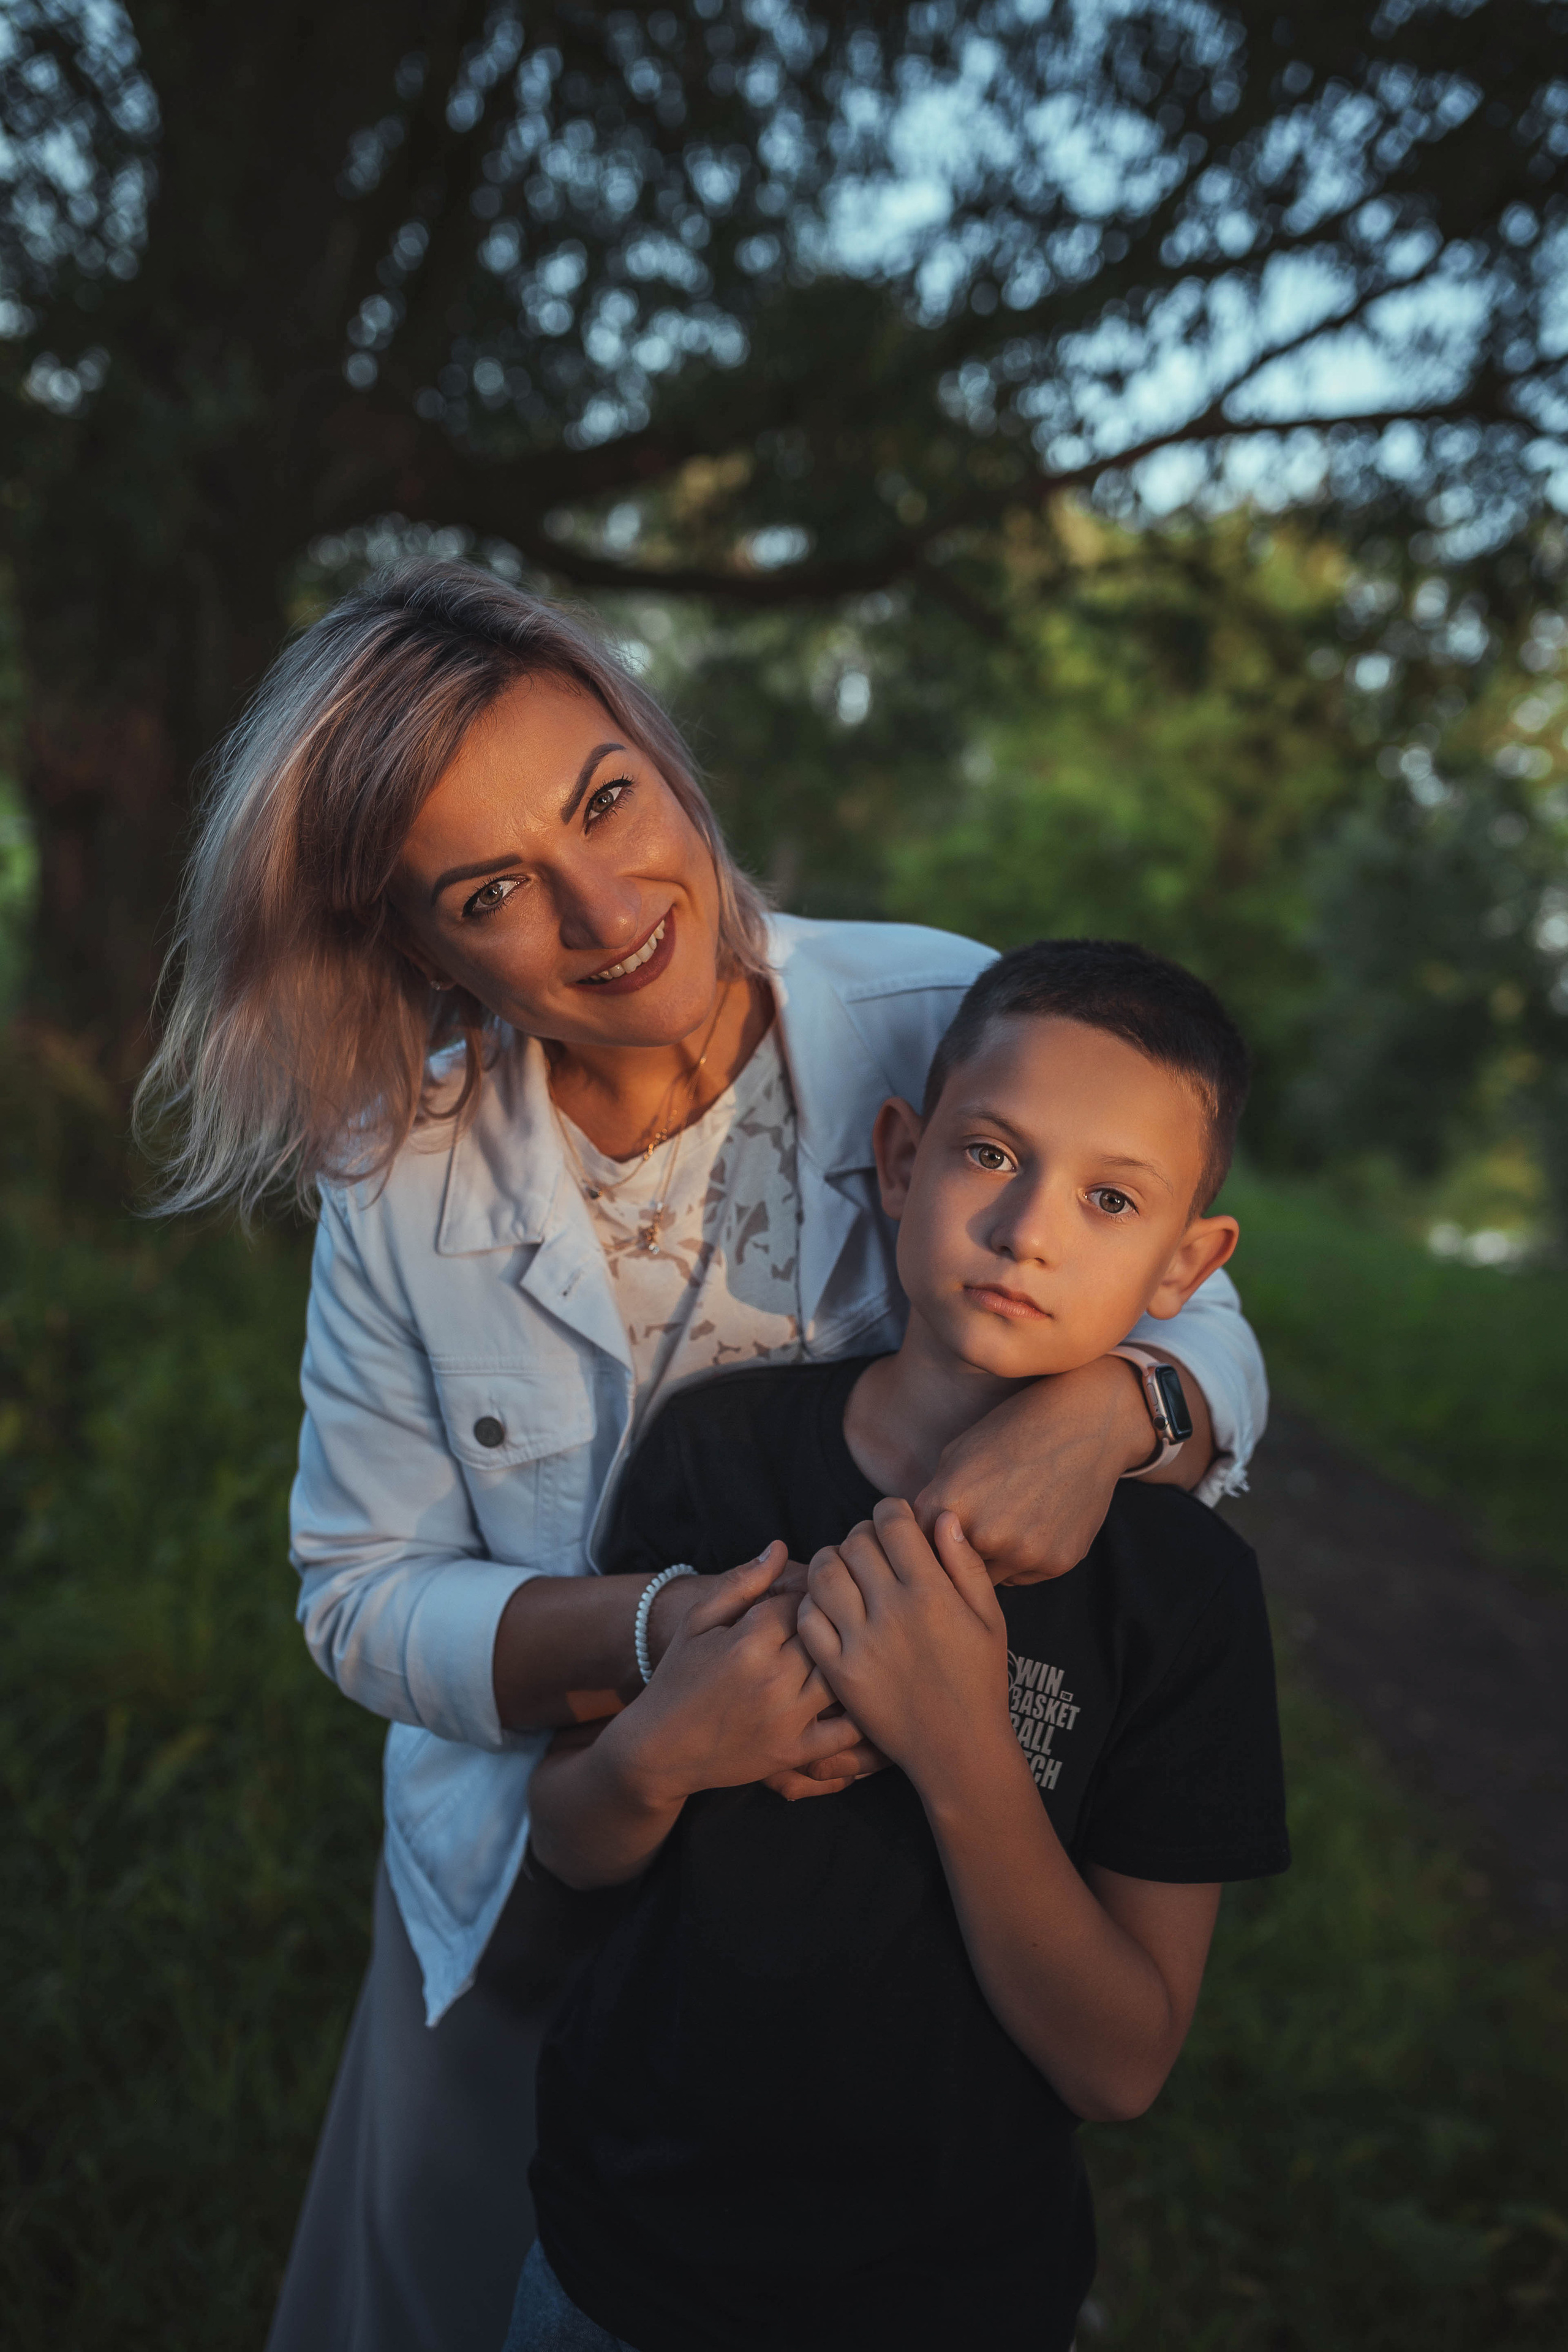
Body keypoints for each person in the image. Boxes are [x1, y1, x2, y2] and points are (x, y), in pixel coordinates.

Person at [136, 562, 1267, 2352]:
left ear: (657, 750)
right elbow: (360, 1599)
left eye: (607, 798)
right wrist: (665, 1648)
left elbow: (1192, 1305)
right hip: (556, 1838)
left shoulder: (928, 1006)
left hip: (888, 1898)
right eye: (494, 890)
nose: (605, 909)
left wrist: (1111, 1414)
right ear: (419, 945)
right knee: (470, 2279)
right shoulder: (401, 1175)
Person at [511, 939, 1290, 2352]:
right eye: (990, 1156)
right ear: (900, 1158)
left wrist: (960, 1755)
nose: (1029, 1230)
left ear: (1185, 1262)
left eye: (1109, 1199)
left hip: (951, 2292)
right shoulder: (716, 1452)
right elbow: (567, 1835)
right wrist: (657, 1755)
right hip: (624, 2252)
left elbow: (1120, 2062)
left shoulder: (1181, 1592)